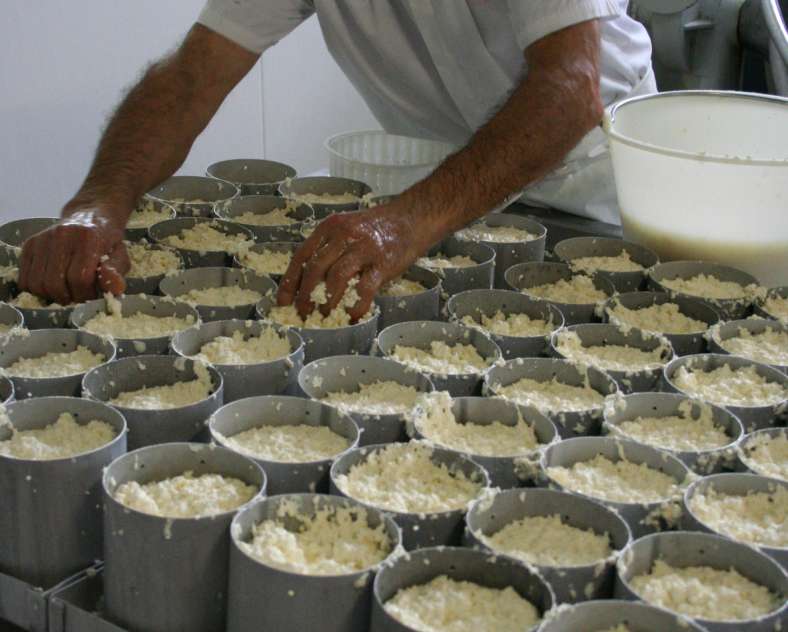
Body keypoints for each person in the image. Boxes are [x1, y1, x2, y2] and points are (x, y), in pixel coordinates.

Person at [20, 1, 655, 321]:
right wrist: (95, 205)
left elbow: (569, 90)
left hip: (595, 191)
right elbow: (191, 78)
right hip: (452, 192)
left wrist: (400, 223)